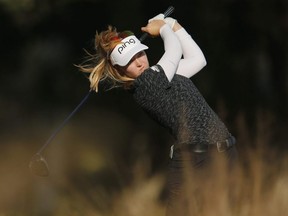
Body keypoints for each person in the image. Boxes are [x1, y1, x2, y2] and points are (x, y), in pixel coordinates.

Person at [78, 15, 238, 215]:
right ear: (118, 69)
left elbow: (198, 60)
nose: (139, 62)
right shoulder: (145, 86)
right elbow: (174, 50)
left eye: (139, 54)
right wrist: (163, 28)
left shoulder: (162, 74)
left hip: (222, 153)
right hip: (193, 160)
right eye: (130, 60)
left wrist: (173, 24)